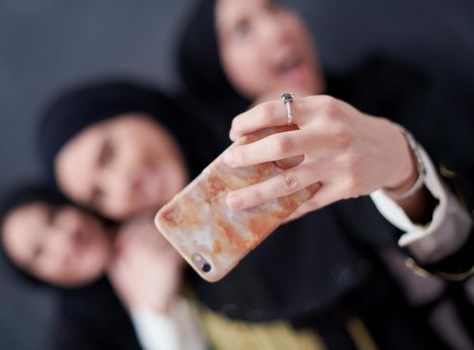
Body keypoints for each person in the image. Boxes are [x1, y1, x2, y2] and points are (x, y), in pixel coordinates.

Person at [175, 0, 474, 348]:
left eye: (274, 8)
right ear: (216, 68)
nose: (276, 29)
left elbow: (461, 225)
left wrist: (401, 166)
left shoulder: (387, 85)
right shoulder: (234, 200)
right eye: (242, 30)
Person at [0, 184, 206, 350]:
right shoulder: (81, 341)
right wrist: (155, 312)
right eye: (39, 252)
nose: (63, 241)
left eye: (53, 217)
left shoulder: (154, 204)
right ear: (41, 278)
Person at [38, 79, 217, 222]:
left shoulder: (231, 88)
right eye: (99, 194)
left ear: (133, 108)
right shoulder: (204, 256)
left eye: (108, 155)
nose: (122, 187)